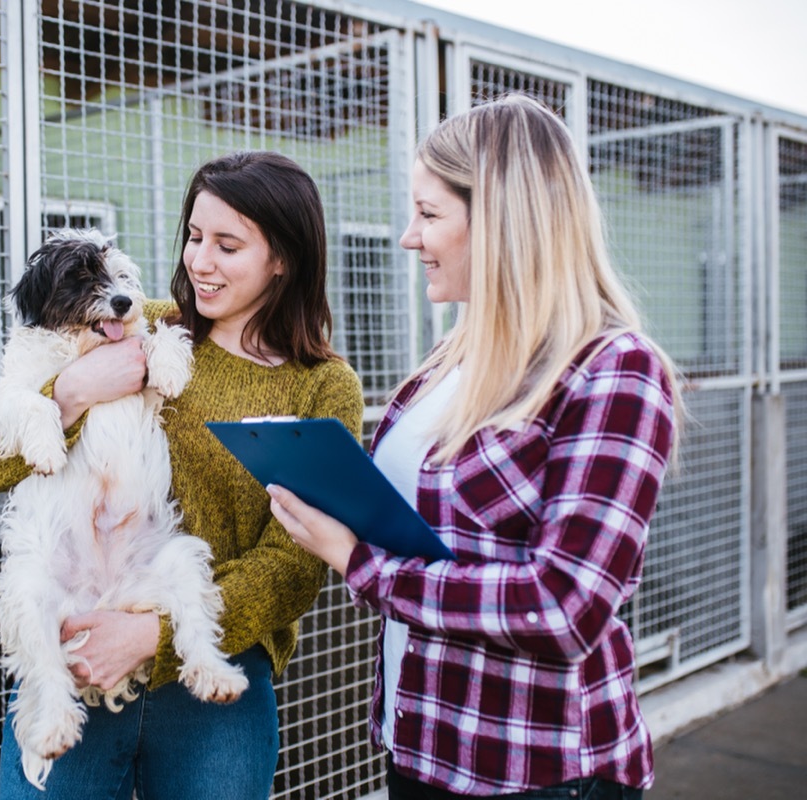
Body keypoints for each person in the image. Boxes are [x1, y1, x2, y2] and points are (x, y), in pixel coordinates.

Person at [268, 94, 681, 800]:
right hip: (420, 747)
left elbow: (562, 605)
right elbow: (423, 525)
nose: (408, 236)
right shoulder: (449, 361)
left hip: (535, 772)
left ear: (501, 221)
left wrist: (358, 561)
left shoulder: (614, 369)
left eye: (429, 214)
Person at [0, 150, 365, 799]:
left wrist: (151, 637)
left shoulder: (324, 387)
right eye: (193, 235)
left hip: (212, 672)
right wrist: (71, 391)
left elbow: (293, 567)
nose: (199, 260)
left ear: (283, 258)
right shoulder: (138, 323)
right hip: (79, 644)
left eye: (227, 244)